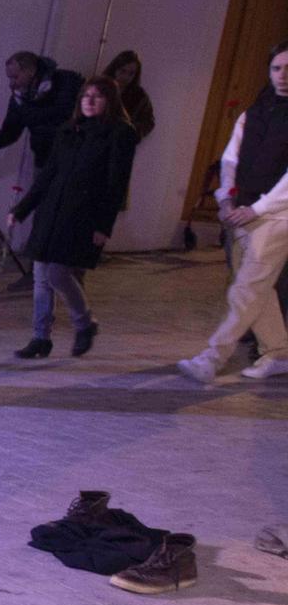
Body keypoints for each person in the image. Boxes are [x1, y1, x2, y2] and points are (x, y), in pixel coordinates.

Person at [178, 40, 288, 384]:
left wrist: (256, 208)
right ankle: (279, 352)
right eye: (277, 68)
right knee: (258, 289)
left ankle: (212, 358)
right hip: (242, 212)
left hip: (277, 216)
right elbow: (230, 158)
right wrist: (226, 199)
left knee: (244, 290)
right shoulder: (254, 112)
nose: (283, 75)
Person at [7, 76, 136, 361]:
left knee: (57, 273)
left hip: (82, 214)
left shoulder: (119, 133)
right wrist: (22, 208)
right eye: (85, 96)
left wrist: (104, 225)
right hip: (52, 211)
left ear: (110, 101)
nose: (89, 101)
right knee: (40, 277)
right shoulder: (69, 130)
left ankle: (84, 322)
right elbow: (49, 174)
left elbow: (116, 183)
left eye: (97, 96)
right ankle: (40, 338)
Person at [0, 50, 83, 170]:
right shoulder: (19, 99)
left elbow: (65, 113)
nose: (11, 84)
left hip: (73, 161)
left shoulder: (65, 81)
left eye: (15, 77)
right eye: (10, 78)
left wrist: (29, 111)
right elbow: (8, 134)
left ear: (31, 71)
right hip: (43, 162)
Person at [103, 49, 155, 143]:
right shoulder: (100, 88)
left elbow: (148, 122)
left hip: (120, 146)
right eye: (123, 71)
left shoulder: (139, 96)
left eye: (131, 73)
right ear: (115, 69)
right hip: (95, 143)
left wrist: (129, 132)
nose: (126, 77)